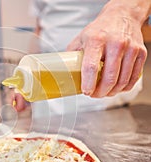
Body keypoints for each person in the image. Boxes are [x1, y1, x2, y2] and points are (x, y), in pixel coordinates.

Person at [14, 0, 151, 117]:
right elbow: (40, 27)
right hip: (46, 83)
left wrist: (126, 13)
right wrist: (23, 73)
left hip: (99, 80)